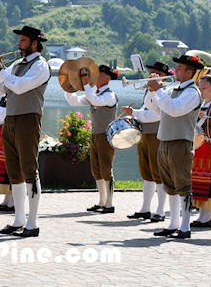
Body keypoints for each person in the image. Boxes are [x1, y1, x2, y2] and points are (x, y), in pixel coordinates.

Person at [0, 25, 50, 238]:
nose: (18, 45)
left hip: (28, 118)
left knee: (30, 171)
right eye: (19, 41)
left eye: (23, 41)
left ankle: (32, 223)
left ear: (34, 43)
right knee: (14, 172)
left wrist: (0, 70)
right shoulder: (17, 64)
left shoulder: (41, 65)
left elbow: (21, 86)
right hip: (11, 118)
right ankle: (18, 219)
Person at [146, 54, 205, 239]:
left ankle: (185, 226)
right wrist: (152, 91)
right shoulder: (173, 89)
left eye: (179, 68)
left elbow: (174, 108)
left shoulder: (192, 93)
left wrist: (159, 91)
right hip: (165, 139)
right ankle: (173, 224)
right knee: (169, 185)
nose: (175, 71)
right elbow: (156, 108)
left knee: (182, 185)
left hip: (180, 141)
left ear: (189, 72)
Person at [65, 64, 119, 214]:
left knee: (105, 169)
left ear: (107, 78)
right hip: (96, 134)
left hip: (106, 135)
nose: (95, 77)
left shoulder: (109, 95)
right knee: (96, 169)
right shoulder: (94, 94)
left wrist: (86, 84)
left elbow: (95, 100)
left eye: (99, 74)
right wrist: (69, 88)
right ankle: (101, 202)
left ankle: (109, 203)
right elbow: (74, 101)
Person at [122, 61, 170, 223]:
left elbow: (157, 115)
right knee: (147, 174)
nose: (150, 77)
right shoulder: (150, 91)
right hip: (145, 134)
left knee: (159, 174)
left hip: (157, 134)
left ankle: (160, 210)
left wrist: (134, 113)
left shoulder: (165, 91)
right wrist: (132, 115)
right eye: (151, 73)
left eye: (155, 74)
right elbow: (145, 110)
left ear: (162, 77)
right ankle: (145, 209)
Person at [190, 73, 211, 228]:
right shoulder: (201, 103)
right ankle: (202, 215)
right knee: (199, 179)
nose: (201, 90)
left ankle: (207, 217)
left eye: (204, 88)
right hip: (199, 145)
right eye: (200, 88)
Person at [0, 97, 15, 212]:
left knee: (10, 166)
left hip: (10, 131)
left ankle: (13, 201)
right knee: (3, 167)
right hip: (1, 131)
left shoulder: (15, 95)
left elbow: (11, 113)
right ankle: (7, 199)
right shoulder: (6, 95)